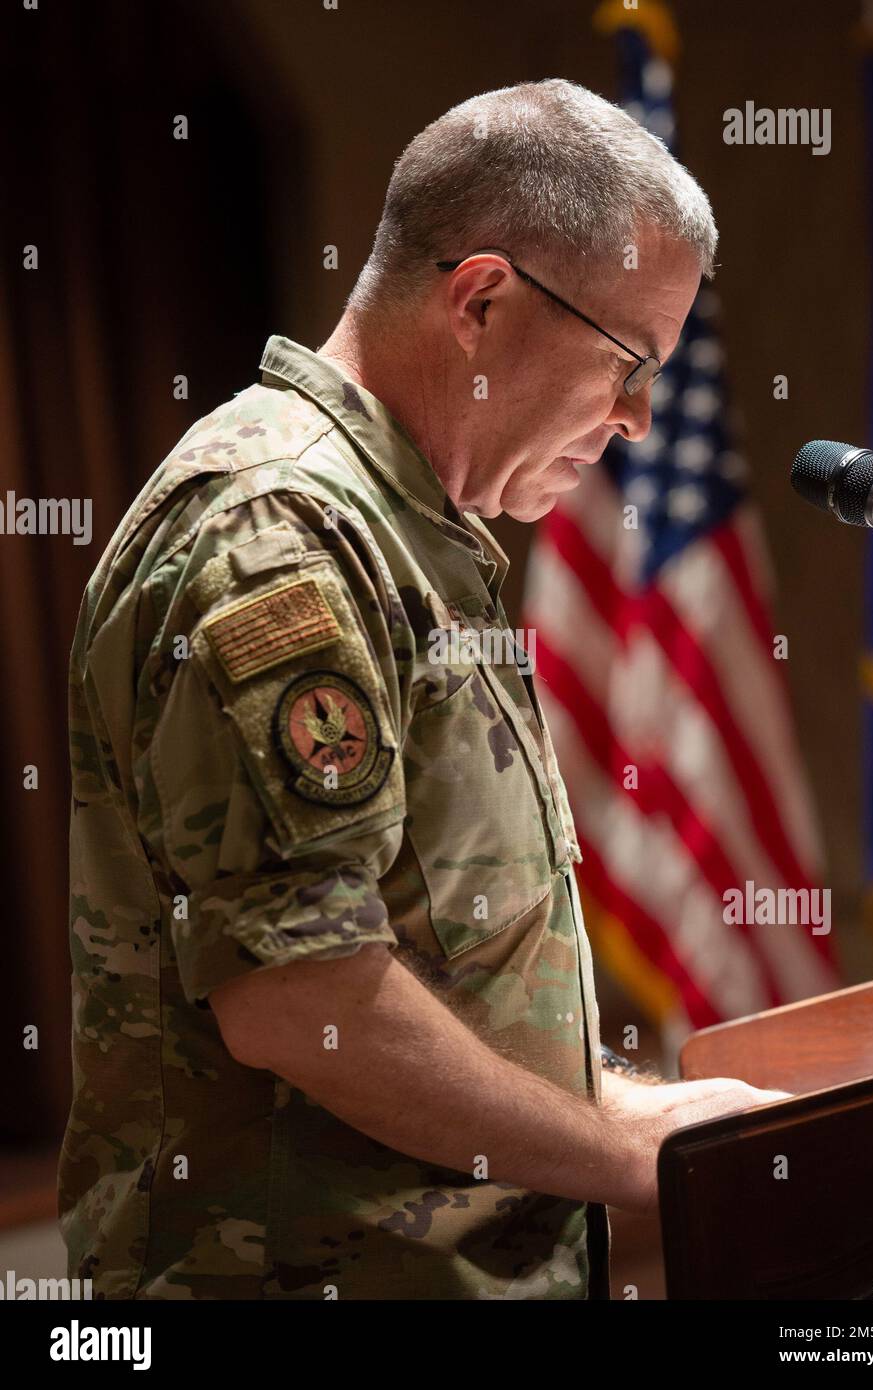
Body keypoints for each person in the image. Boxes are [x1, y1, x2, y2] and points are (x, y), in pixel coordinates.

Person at [59, 78, 786, 1301]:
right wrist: (622, 1157)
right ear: (483, 300)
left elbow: (435, 964)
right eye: (627, 363)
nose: (640, 421)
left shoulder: (399, 526)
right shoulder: (280, 535)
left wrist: (634, 1106)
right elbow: (305, 1000)